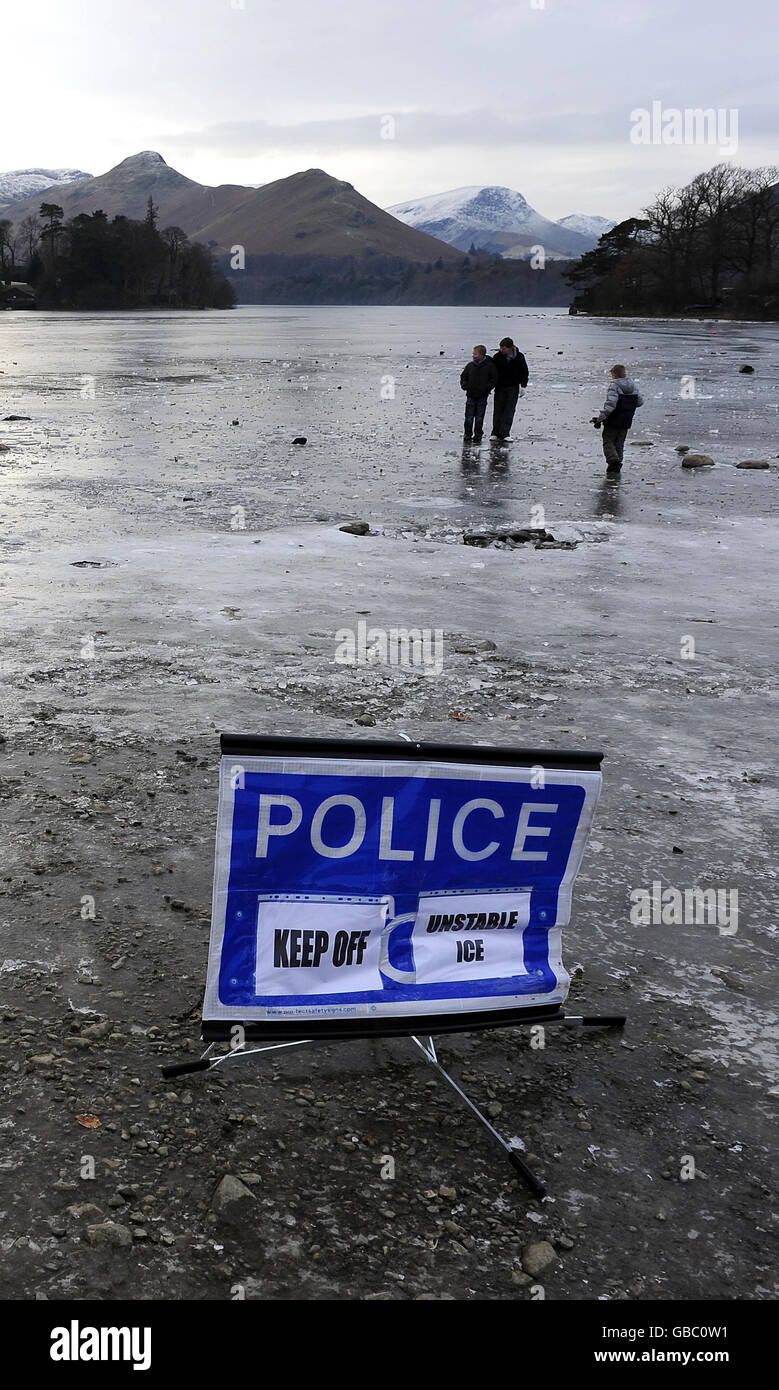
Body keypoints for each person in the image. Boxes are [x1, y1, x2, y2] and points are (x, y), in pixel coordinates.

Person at [591, 364, 644, 474]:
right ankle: (617, 465)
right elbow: (639, 402)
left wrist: (601, 418)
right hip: (626, 420)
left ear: (614, 374)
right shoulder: (633, 386)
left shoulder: (614, 386)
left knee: (608, 441)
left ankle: (613, 462)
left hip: (613, 420)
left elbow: (611, 404)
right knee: (619, 443)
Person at [490, 337, 529, 440]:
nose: (502, 350)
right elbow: (492, 372)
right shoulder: (498, 357)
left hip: (513, 387)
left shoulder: (519, 357)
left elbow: (524, 371)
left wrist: (523, 385)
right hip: (500, 387)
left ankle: (505, 433)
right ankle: (495, 432)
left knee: (509, 410)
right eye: (501, 348)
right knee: (498, 410)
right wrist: (489, 385)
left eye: (504, 348)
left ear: (511, 348)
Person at [460, 345, 497, 442]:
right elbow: (464, 376)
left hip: (482, 396)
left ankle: (478, 434)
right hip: (470, 395)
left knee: (479, 417)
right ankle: (467, 434)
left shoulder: (489, 366)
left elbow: (493, 379)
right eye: (473, 354)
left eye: (475, 354)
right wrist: (465, 385)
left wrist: (487, 388)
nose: (473, 356)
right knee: (469, 417)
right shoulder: (470, 366)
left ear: (481, 355)